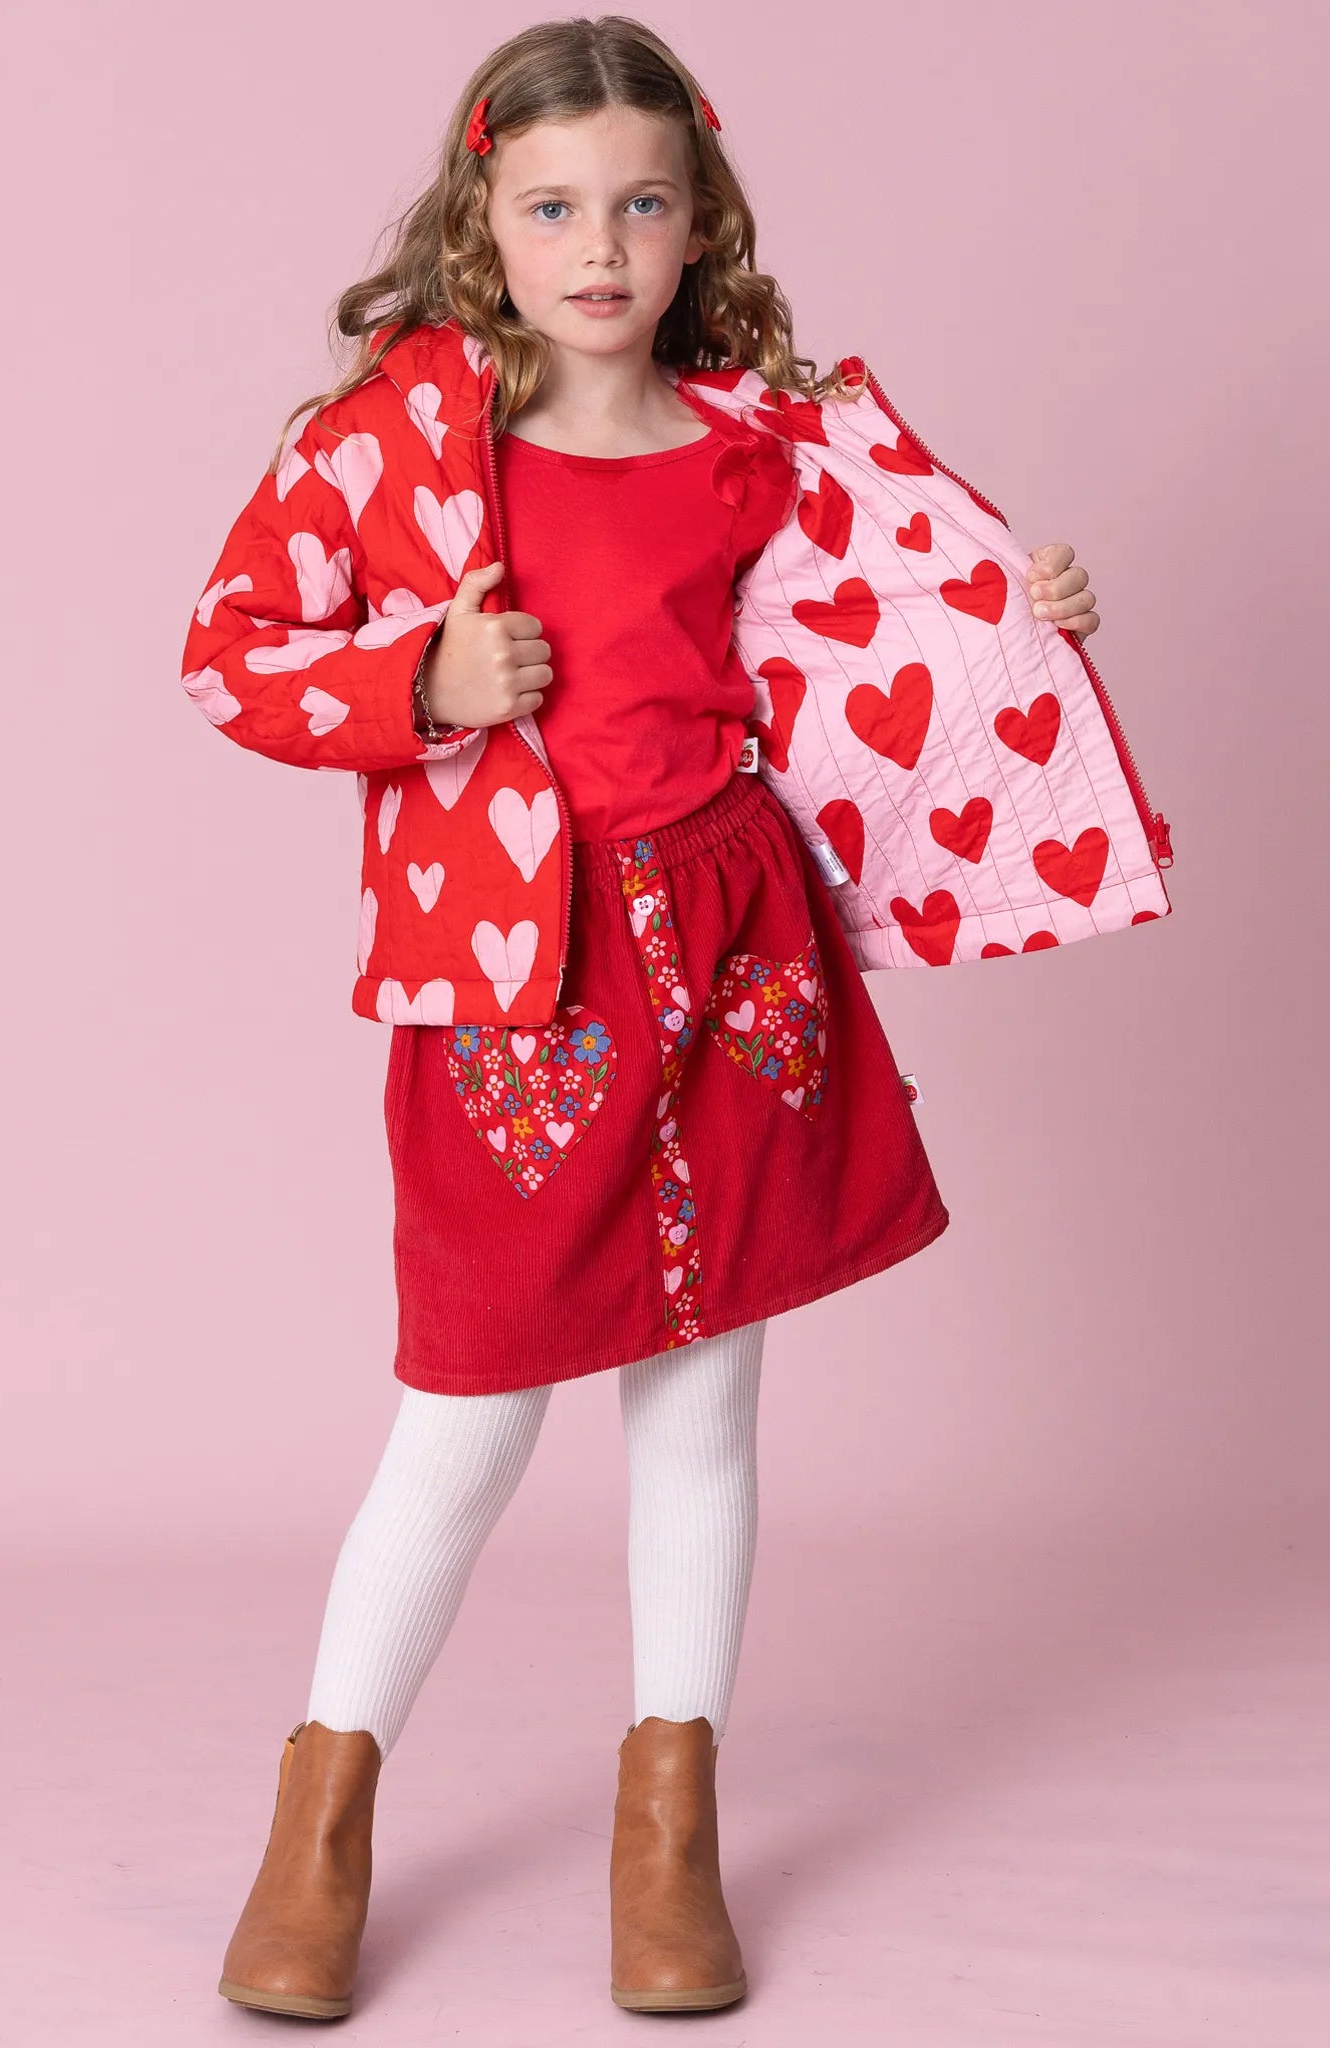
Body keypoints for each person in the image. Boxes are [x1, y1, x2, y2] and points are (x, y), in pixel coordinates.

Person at [178, 15, 1174, 2020]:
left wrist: (1024, 602)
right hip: (518, 986)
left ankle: (668, 1848)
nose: (601, 244)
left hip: (732, 963)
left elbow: (890, 629)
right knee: (465, 1417)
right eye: (554, 207)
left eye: (643, 202)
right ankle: (320, 1828)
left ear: (699, 217)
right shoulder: (397, 436)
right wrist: (425, 686)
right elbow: (226, 655)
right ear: (488, 220)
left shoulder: (759, 440)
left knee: (703, 1404)